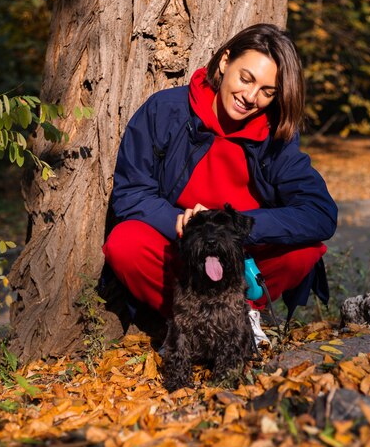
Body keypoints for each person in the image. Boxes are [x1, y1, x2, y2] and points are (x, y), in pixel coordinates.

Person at [103, 23, 337, 342]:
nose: (250, 97)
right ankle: (189, 323)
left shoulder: (276, 137)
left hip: (243, 256)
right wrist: (180, 222)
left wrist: (237, 227)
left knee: (304, 249)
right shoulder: (165, 110)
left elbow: (321, 214)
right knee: (125, 242)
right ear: (225, 61)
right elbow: (131, 194)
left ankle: (240, 314)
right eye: (246, 78)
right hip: (181, 252)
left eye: (267, 92)